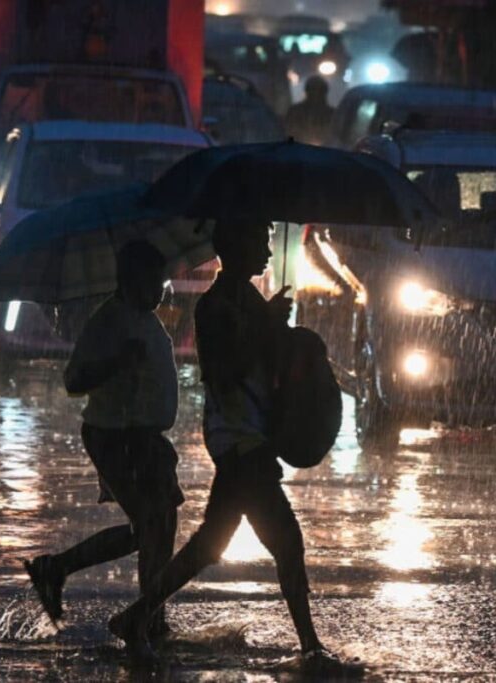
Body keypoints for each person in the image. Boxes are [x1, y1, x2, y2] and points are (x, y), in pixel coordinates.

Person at [109, 220, 360, 675]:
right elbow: (225, 372)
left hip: (252, 435)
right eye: (257, 242)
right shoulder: (215, 307)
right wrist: (266, 327)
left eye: (266, 242)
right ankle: (311, 648)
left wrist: (275, 329)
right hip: (238, 437)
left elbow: (267, 360)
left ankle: (137, 615)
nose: (266, 252)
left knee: (212, 542)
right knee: (285, 540)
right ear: (232, 247)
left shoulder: (246, 299)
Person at [23, 240, 182, 640]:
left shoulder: (142, 315)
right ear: (130, 281)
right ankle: (149, 621)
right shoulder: (109, 321)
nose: (161, 290)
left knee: (152, 527)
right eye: (153, 282)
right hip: (117, 436)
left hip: (143, 436)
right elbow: (74, 380)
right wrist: (118, 362)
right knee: (152, 524)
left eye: (162, 282)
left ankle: (56, 569)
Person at [284, 75, 335, 145]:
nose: (316, 93)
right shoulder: (295, 111)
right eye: (313, 89)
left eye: (320, 90)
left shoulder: (332, 114)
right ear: (307, 91)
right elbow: (289, 131)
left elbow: (336, 135)